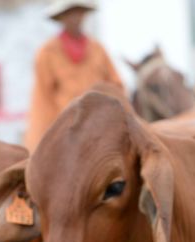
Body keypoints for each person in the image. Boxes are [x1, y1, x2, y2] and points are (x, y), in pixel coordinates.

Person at [25, 0, 123, 150]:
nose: (75, 18)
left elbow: (116, 86)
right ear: (61, 18)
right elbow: (43, 98)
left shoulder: (97, 49)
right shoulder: (47, 53)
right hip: (66, 129)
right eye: (70, 13)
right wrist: (48, 137)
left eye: (79, 12)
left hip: (99, 125)